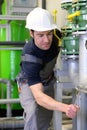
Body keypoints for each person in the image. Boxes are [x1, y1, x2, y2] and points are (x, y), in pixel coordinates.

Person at [16, 7, 79, 130]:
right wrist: (65, 108)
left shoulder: (56, 36)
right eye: (40, 35)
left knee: (45, 118)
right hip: (29, 83)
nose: (46, 40)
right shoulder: (30, 56)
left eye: (49, 33)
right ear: (31, 33)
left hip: (48, 79)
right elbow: (39, 97)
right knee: (33, 111)